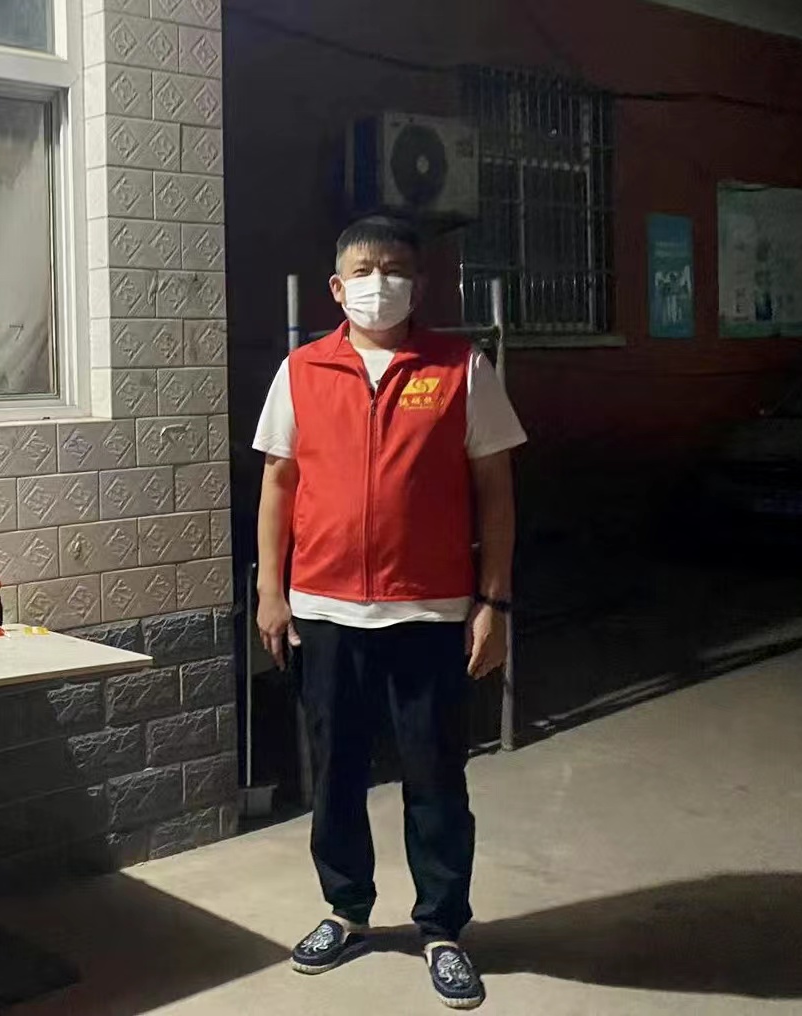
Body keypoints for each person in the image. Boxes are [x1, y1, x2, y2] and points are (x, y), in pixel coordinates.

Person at [252, 215, 526, 1010]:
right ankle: (347, 909)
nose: (380, 283)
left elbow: (496, 493)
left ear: (420, 283)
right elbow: (278, 484)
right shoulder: (302, 370)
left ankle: (442, 927)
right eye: (365, 270)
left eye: (395, 269)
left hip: (430, 613)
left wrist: (494, 601)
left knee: (436, 777)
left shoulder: (461, 367)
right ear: (337, 288)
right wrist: (272, 591)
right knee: (336, 773)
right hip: (326, 611)